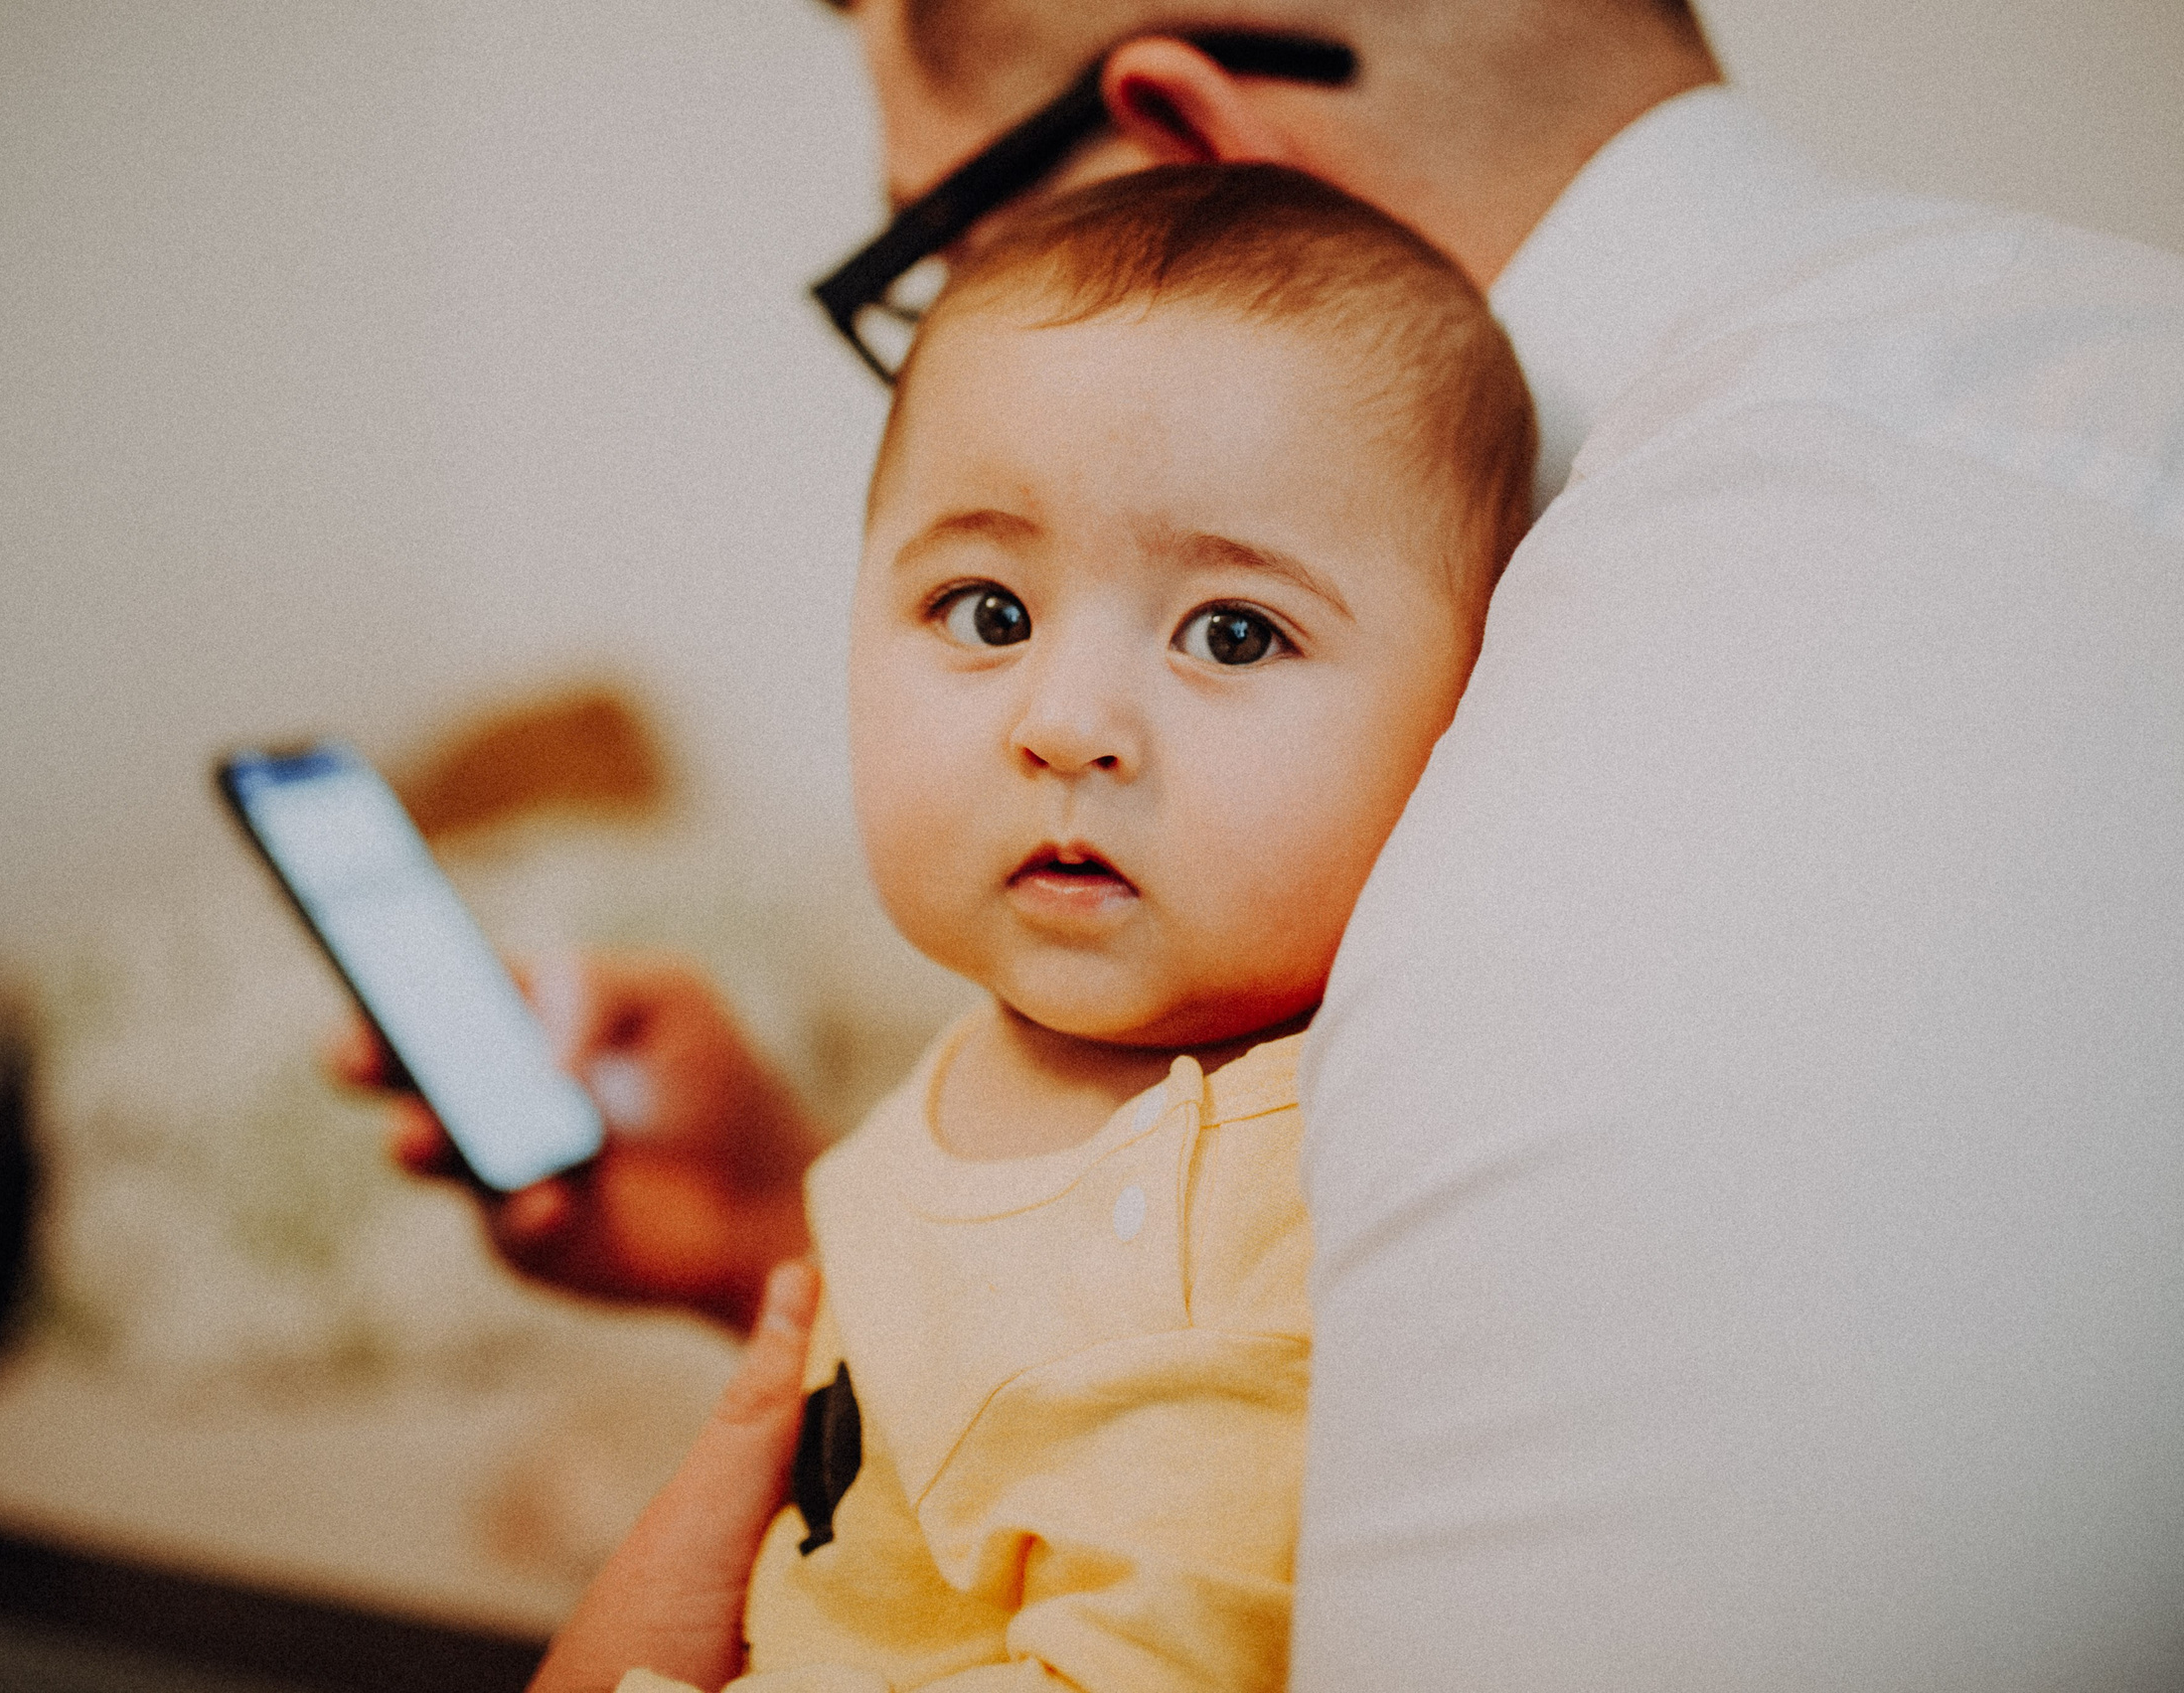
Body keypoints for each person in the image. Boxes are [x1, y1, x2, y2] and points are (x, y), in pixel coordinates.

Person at [347, 0, 2184, 1684]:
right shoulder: (1959, 431)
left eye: (932, 259)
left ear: (1191, 167)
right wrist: (789, 1234)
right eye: (986, 604)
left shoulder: (1745, 651)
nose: (1063, 722)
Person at [625, 162, 1526, 1689]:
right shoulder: (1014, 1052)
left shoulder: (1243, 1197)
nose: (1067, 723)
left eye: (1233, 632)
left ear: (1473, 710)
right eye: (988, 609)